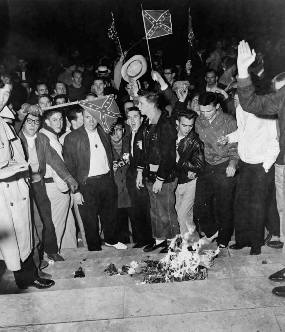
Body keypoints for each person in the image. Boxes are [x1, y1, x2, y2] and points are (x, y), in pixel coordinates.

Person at [236, 40, 285, 295]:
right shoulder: (282, 96)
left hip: (266, 165)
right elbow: (251, 104)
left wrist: (265, 165)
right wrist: (243, 71)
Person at [0, 77, 54, 289]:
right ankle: (26, 276)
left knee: (24, 234)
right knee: (11, 239)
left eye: (7, 94)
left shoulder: (4, 119)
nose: (4, 99)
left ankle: (28, 276)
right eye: (2, 93)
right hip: (4, 192)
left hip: (15, 186)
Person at [219, 94, 280, 255]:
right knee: (241, 204)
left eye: (241, 98)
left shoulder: (265, 113)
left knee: (257, 207)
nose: (237, 102)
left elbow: (274, 141)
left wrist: (266, 166)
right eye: (236, 98)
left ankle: (256, 244)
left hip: (261, 166)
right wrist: (228, 138)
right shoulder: (240, 109)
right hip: (245, 164)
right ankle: (242, 240)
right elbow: (241, 132)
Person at [63, 99, 127, 251]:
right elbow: (69, 167)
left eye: (93, 117)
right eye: (87, 117)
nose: (91, 121)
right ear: (82, 118)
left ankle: (111, 240)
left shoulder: (104, 132)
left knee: (110, 215)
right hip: (86, 184)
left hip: (106, 180)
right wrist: (75, 191)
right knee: (90, 221)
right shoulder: (72, 138)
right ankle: (94, 249)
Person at [19, 107, 78, 261]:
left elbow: (56, 161)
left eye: (36, 122)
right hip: (21, 187)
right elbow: (16, 120)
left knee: (47, 221)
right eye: (29, 121)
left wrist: (69, 179)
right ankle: (33, 259)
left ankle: (51, 251)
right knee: (30, 224)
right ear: (23, 123)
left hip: (38, 186)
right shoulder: (17, 137)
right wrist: (25, 109)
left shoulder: (42, 139)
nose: (32, 125)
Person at [136, 89, 179, 253]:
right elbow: (143, 150)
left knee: (166, 211)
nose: (138, 106)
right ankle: (160, 240)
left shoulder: (166, 125)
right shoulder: (147, 123)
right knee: (155, 211)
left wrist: (160, 179)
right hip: (150, 175)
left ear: (152, 104)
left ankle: (173, 243)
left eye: (141, 103)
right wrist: (140, 171)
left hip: (164, 177)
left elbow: (169, 157)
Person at [194, 91, 239, 248]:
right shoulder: (199, 121)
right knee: (200, 206)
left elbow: (235, 145)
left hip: (224, 164)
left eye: (209, 111)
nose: (205, 115)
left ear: (217, 106)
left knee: (224, 206)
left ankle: (223, 239)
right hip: (206, 166)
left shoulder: (228, 121)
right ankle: (214, 231)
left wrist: (233, 164)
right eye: (202, 111)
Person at [40, 108, 77, 249]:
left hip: (55, 186)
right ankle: (52, 255)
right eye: (54, 120)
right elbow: (57, 168)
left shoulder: (48, 135)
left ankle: (69, 251)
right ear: (47, 121)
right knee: (57, 224)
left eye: (61, 119)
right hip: (57, 187)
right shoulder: (50, 139)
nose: (59, 123)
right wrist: (64, 190)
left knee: (68, 223)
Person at [174, 88, 205, 240]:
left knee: (182, 214)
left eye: (190, 126)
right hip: (176, 182)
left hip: (190, 182)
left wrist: (180, 159)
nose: (187, 129)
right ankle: (191, 241)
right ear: (177, 123)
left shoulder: (195, 141)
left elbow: (199, 166)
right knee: (184, 215)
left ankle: (188, 243)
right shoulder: (172, 136)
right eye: (184, 125)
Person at [125, 106, 153, 248]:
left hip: (143, 175)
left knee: (145, 209)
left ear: (141, 119)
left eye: (135, 117)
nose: (132, 120)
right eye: (129, 118)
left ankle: (149, 239)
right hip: (132, 175)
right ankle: (140, 239)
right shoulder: (130, 134)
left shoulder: (145, 133)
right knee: (135, 209)